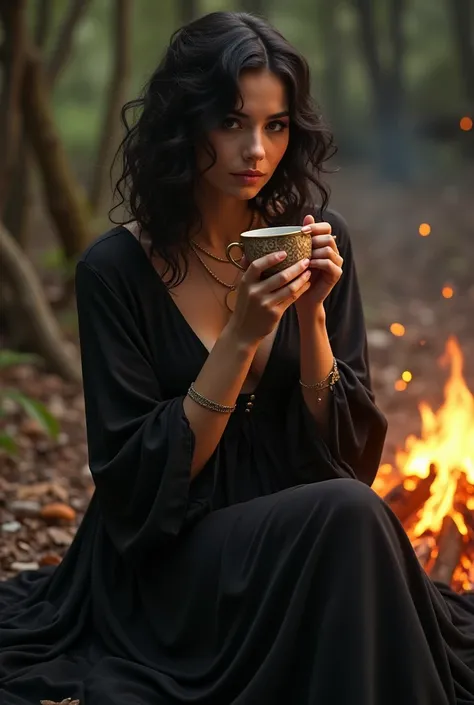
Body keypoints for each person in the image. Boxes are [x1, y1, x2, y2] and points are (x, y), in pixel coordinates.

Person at [0, 10, 473, 705]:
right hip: (170, 568)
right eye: (231, 122)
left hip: (293, 536)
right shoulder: (115, 271)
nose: (255, 149)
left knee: (350, 513)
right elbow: (135, 489)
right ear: (182, 126)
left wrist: (311, 316)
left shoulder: (316, 237)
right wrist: (242, 336)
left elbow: (343, 463)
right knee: (350, 518)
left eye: (275, 125)